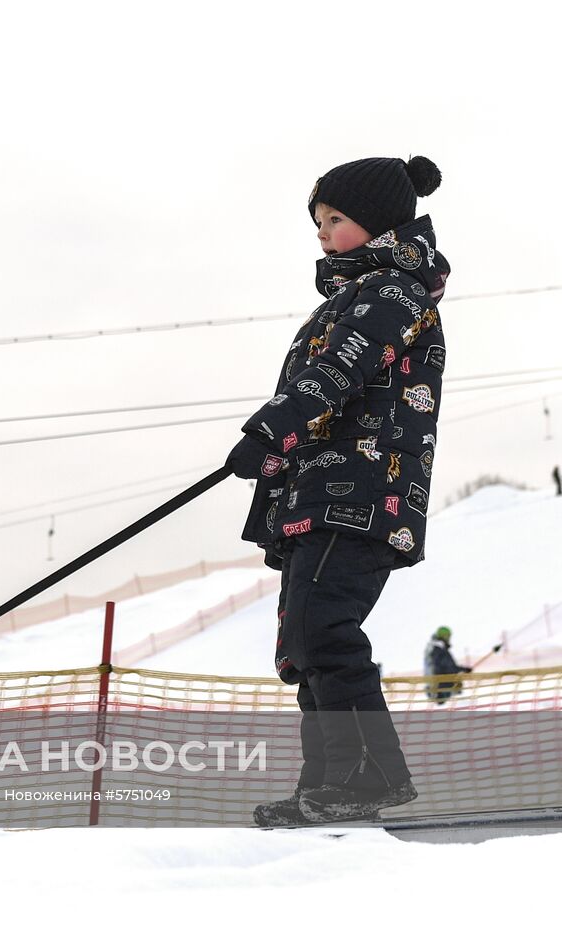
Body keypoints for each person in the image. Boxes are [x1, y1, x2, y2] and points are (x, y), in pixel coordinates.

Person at [227, 155, 449, 825]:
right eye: (319, 221)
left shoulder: (394, 291)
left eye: (336, 220)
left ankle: (369, 773)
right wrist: (278, 462)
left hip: (361, 494)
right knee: (303, 641)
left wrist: (272, 432)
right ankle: (327, 781)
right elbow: (322, 392)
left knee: (325, 629)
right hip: (317, 496)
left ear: (377, 223)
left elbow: (340, 371)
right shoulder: (348, 297)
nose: (323, 233)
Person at [424, 626, 471, 703]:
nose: (449, 639)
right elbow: (449, 668)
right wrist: (464, 670)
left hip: (441, 689)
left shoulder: (435, 649)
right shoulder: (439, 651)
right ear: (444, 637)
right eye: (448, 637)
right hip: (443, 690)